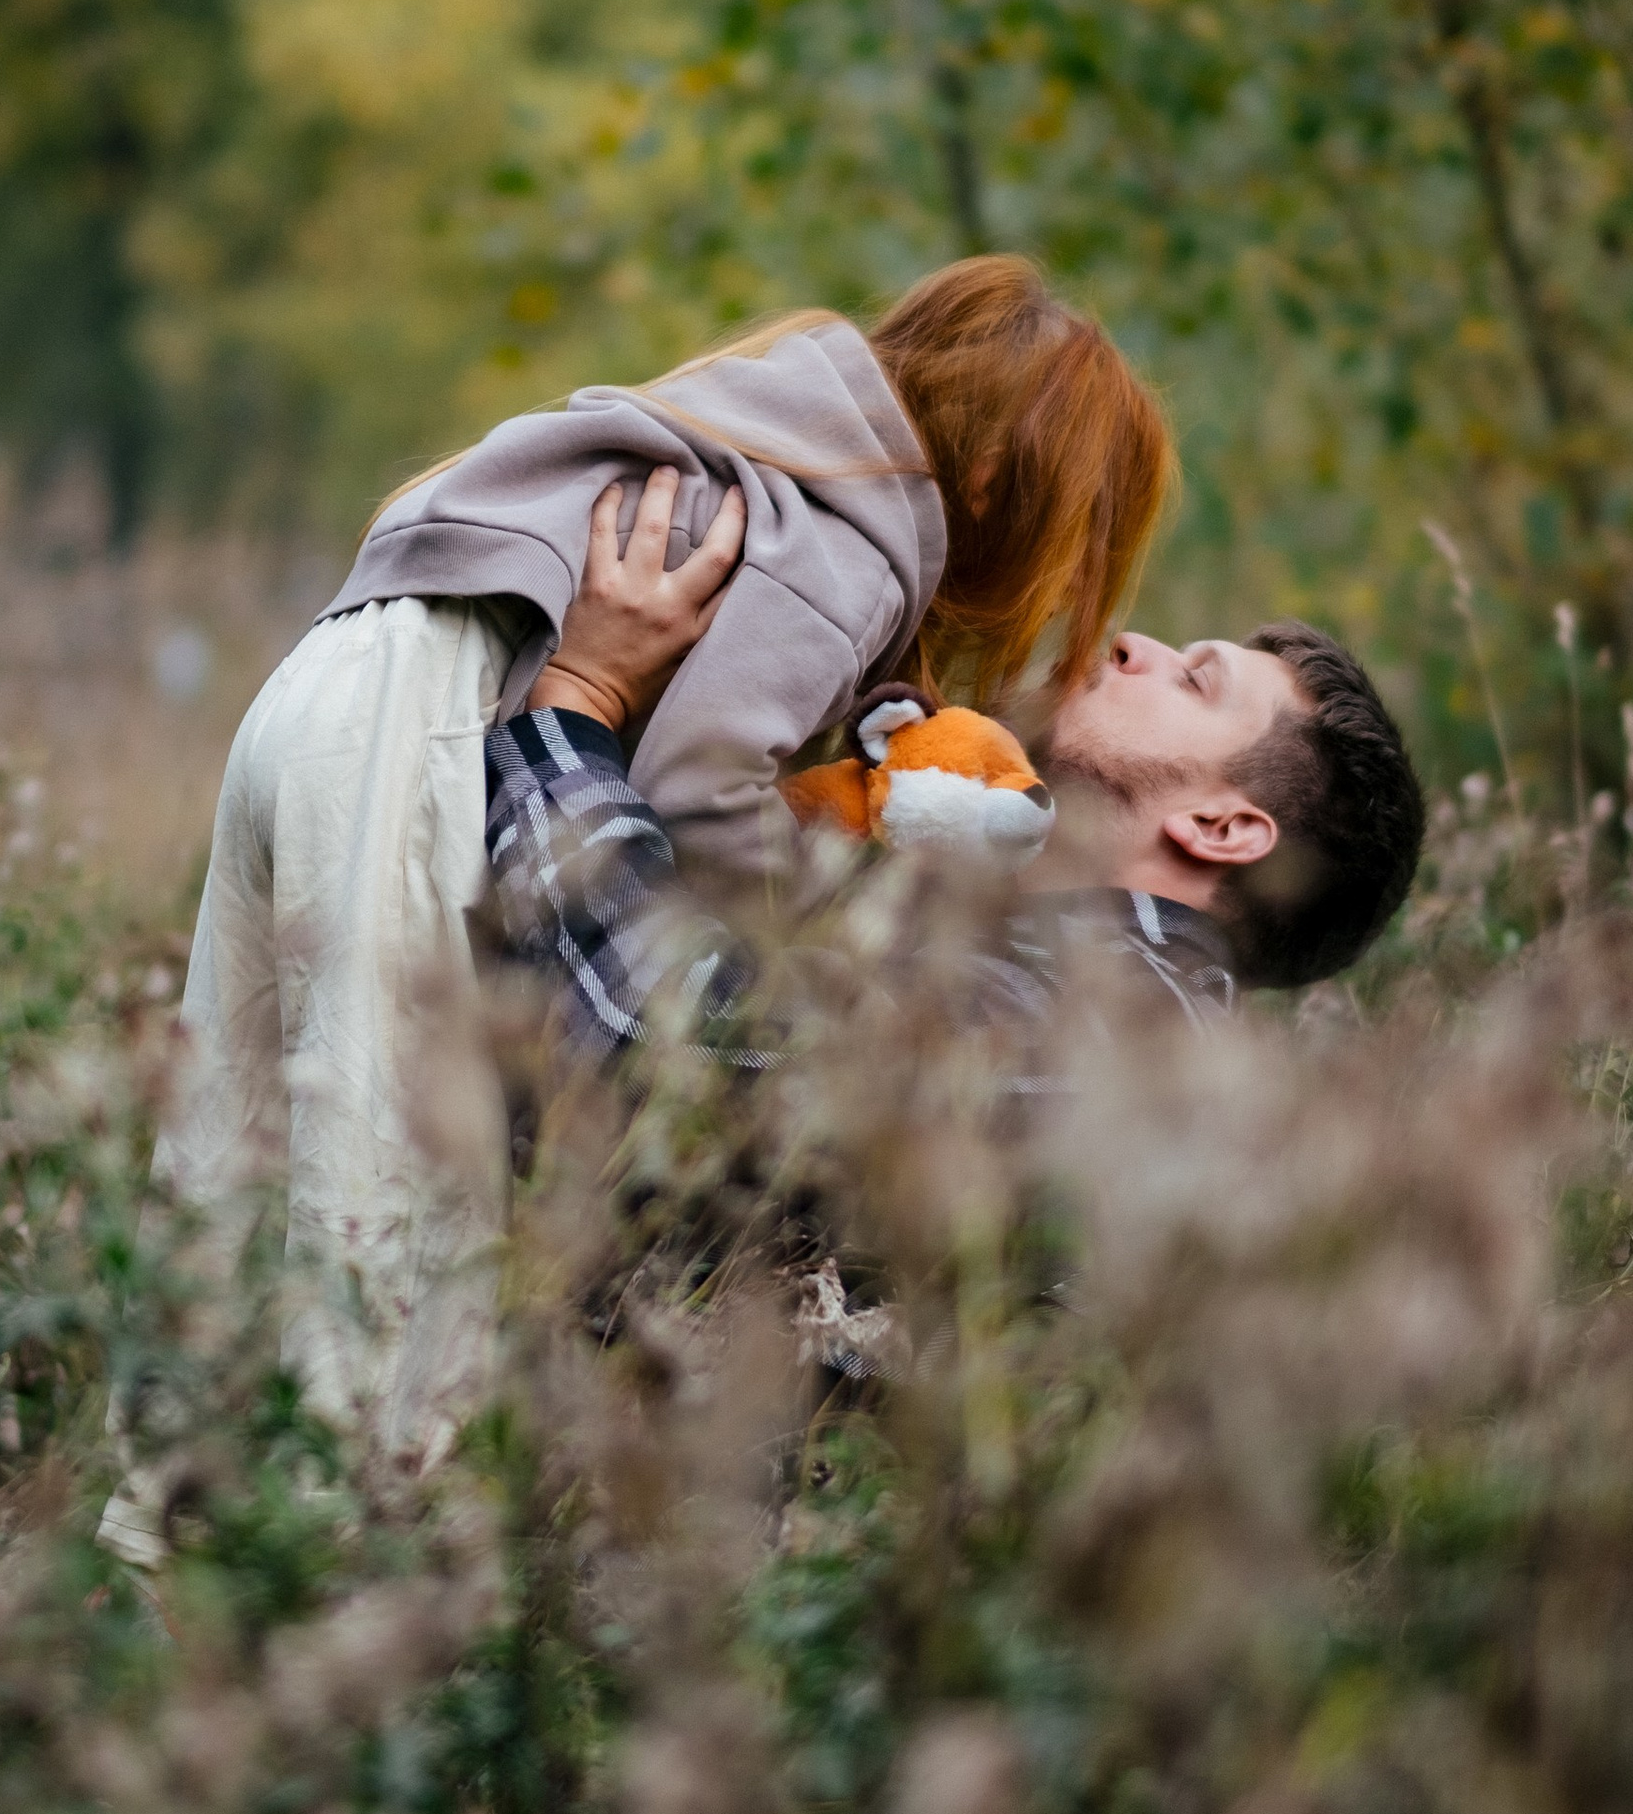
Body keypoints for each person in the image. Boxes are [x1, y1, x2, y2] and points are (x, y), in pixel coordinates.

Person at [160, 259, 1172, 1447]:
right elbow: (701, 789)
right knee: (385, 1203)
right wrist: (831, 943)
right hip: (407, 729)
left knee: (231, 1143)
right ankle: (329, 1539)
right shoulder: (853, 549)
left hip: (324, 686)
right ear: (1005, 480)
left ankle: (165, 1515)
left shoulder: (771, 435)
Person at [488, 510, 1425, 1049]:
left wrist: (579, 695)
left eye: (1196, 680)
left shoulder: (1101, 1030)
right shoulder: (1014, 964)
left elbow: (659, 1030)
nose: (1138, 644)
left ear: (1225, 827)